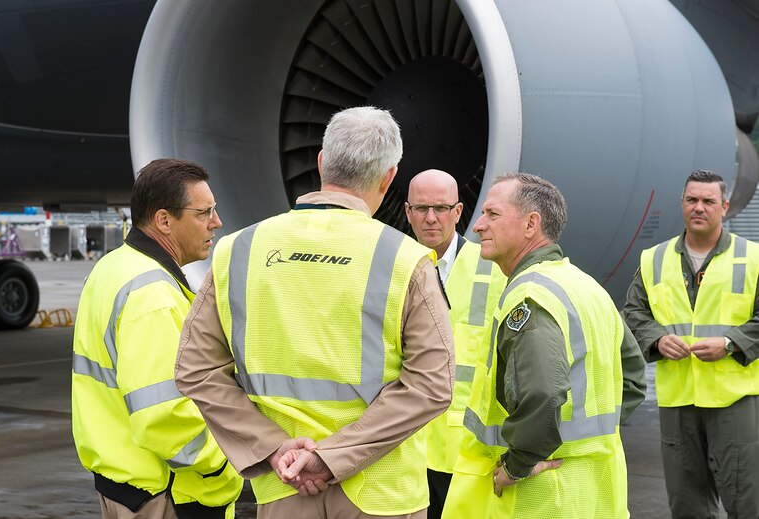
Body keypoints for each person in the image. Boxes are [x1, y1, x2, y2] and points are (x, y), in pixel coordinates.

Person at [175, 106, 455, 518]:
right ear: (389, 176)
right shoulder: (405, 259)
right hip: (380, 495)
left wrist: (272, 447)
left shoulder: (238, 250)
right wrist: (332, 456)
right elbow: (432, 385)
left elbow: (195, 369)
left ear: (322, 162)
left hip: (283, 486)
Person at [443, 173, 646, 518]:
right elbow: (633, 381)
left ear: (530, 224)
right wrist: (577, 442)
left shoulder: (531, 295)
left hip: (542, 499)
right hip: (594, 491)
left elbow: (544, 394)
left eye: (493, 214)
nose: (477, 225)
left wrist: (518, 463)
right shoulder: (587, 287)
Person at [72, 158, 242, 518]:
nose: (217, 222)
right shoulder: (152, 295)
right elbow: (162, 415)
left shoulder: (114, 266)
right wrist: (224, 463)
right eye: (204, 213)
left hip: (125, 481)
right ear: (164, 220)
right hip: (167, 493)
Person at [623, 169, 759, 518]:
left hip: (734, 400)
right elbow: (635, 312)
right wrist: (658, 339)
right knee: (686, 502)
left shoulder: (754, 258)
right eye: (692, 200)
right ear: (682, 204)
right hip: (678, 400)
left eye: (708, 201)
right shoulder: (654, 258)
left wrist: (730, 343)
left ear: (725, 206)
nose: (699, 207)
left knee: (745, 500)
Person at [404, 169, 506, 518]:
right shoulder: (390, 264)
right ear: (407, 212)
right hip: (403, 446)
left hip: (464, 450)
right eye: (420, 209)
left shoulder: (494, 268)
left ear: (459, 212)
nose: (431, 218)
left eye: (441, 208)